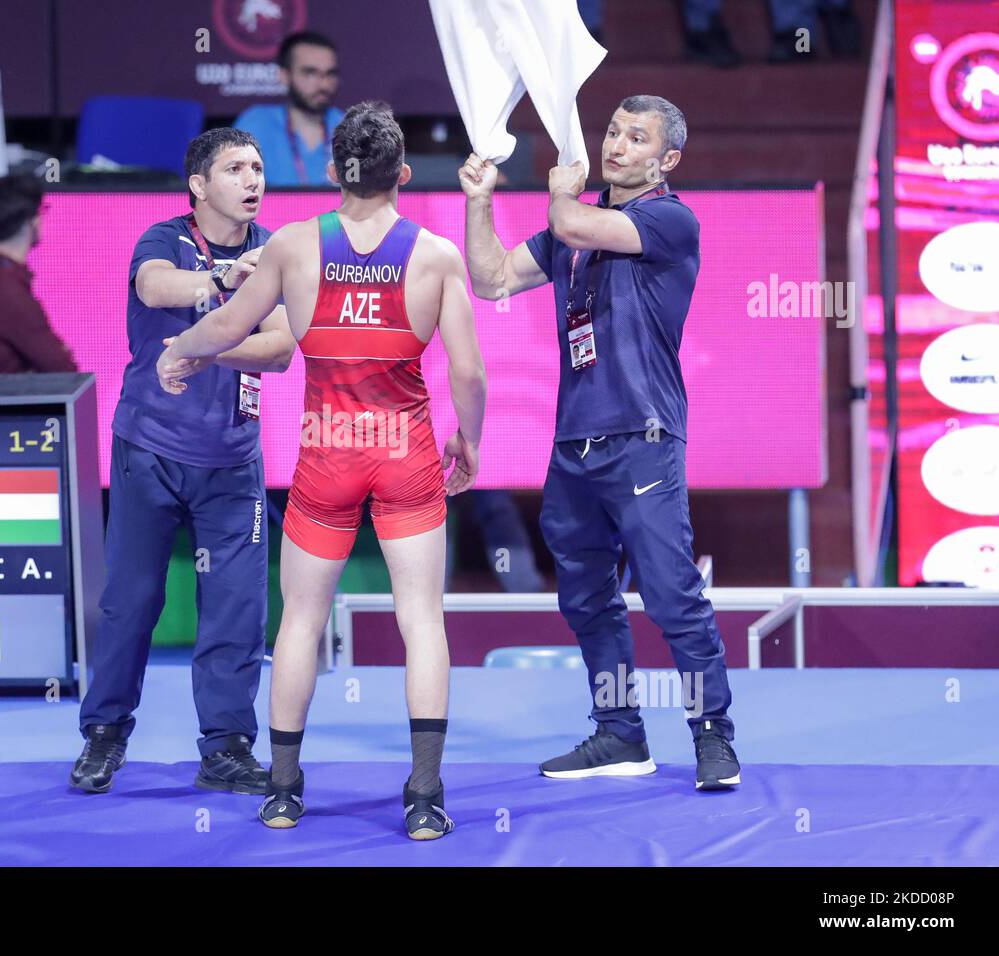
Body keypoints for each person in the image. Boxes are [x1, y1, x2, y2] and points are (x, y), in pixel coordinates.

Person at [158, 101, 487, 839]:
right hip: (404, 452)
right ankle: (426, 797)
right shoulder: (435, 254)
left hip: (326, 453)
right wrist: (468, 440)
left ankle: (281, 790)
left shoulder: (295, 247)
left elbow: (229, 324)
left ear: (337, 171)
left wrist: (179, 353)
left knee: (301, 622)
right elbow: (467, 372)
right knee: (421, 620)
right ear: (401, 173)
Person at [458, 94, 741, 791]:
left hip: (643, 438)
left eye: (635, 138)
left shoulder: (669, 220)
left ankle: (713, 736)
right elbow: (491, 277)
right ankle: (619, 732)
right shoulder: (572, 235)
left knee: (673, 594)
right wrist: (479, 201)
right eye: (613, 131)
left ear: (666, 159)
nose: (616, 144)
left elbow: (572, 217)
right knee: (586, 598)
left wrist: (562, 188)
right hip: (574, 445)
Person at [69, 128, 296, 796]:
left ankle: (226, 749)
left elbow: (281, 348)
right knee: (130, 602)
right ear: (198, 185)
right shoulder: (164, 239)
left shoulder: (278, 251)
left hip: (233, 462)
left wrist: (202, 352)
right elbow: (155, 287)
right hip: (151, 452)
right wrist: (223, 280)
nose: (253, 179)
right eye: (235, 169)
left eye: (257, 167)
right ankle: (104, 737)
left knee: (237, 609)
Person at [0, 173, 78, 374]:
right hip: (14, 403)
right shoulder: (5, 292)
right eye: (42, 211)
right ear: (30, 222)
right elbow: (63, 369)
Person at [234, 31, 343, 187]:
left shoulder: (348, 126)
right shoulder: (255, 123)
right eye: (310, 73)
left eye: (330, 74)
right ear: (284, 76)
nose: (323, 84)